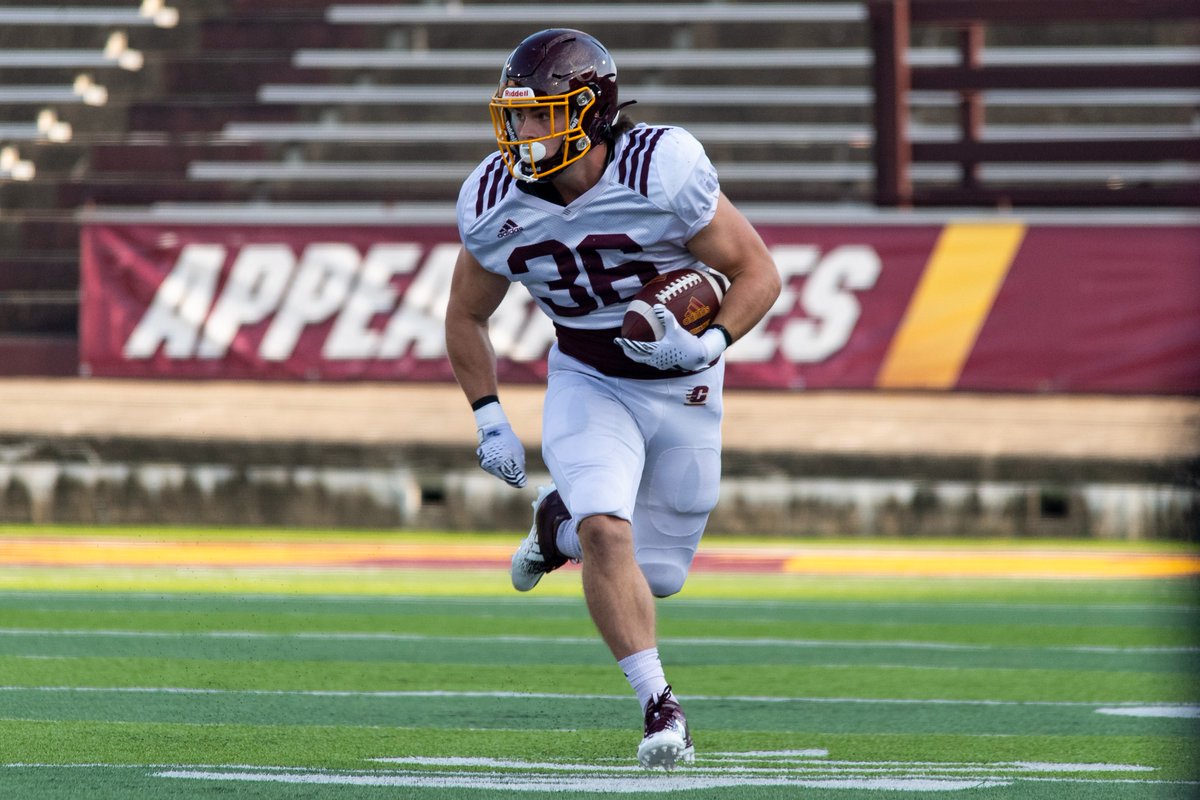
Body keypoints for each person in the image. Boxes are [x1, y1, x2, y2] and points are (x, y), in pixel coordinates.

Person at [445, 28, 781, 769]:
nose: (523, 133)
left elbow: (757, 271)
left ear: (592, 112)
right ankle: (660, 708)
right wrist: (489, 415)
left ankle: (552, 524)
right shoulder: (494, 197)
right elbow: (466, 313)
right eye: (517, 116)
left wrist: (710, 342)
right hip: (588, 378)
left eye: (543, 115)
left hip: (683, 381)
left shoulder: (660, 168)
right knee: (607, 533)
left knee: (657, 575)